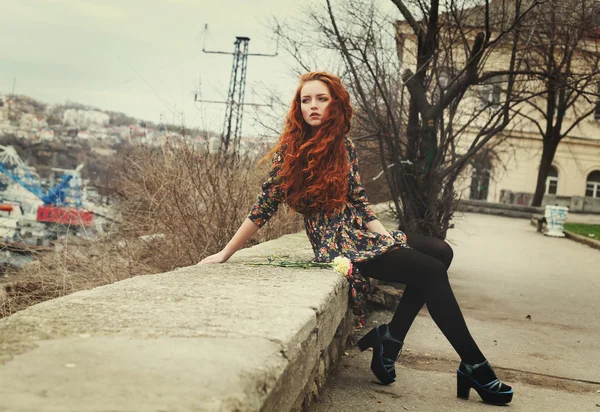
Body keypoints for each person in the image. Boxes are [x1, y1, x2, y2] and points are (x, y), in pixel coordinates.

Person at [198, 71, 513, 405]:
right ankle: (473, 365)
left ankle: (390, 339)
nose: (313, 106)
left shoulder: (343, 145)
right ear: (298, 107)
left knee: (440, 251)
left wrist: (387, 238)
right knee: (431, 271)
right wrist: (226, 253)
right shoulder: (290, 152)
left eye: (321, 99)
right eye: (306, 100)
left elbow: (360, 201)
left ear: (336, 104)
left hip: (361, 234)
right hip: (337, 245)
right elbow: (263, 207)